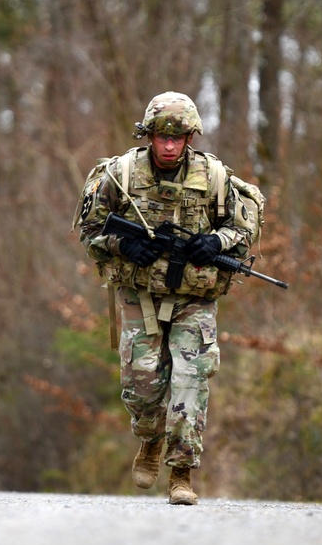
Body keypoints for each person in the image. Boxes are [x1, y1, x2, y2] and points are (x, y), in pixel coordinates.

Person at [74, 91, 261, 505]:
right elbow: (89, 233)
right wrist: (123, 247)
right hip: (138, 294)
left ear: (190, 138)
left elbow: (241, 230)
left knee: (190, 381)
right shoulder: (120, 176)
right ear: (149, 136)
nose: (170, 146)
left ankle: (181, 474)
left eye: (179, 138)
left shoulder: (214, 177)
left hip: (194, 297)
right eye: (163, 137)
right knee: (142, 389)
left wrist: (215, 241)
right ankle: (150, 441)